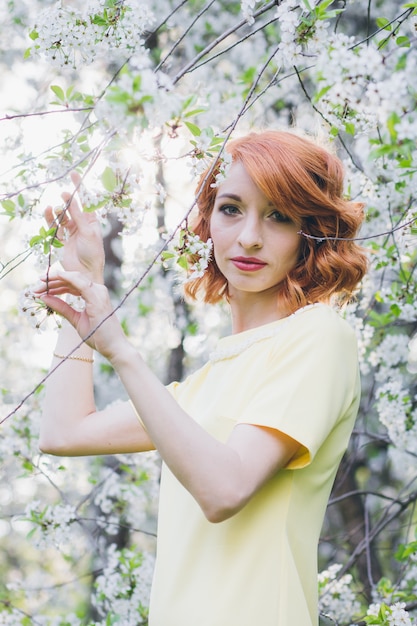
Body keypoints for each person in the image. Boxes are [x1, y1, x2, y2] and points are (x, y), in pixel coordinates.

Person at [36, 129, 368, 626]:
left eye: (279, 215)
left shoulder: (320, 337)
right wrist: (83, 289)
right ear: (208, 220)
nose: (249, 236)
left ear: (310, 231)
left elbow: (224, 489)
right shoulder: (204, 385)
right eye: (231, 208)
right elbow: (63, 432)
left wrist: (122, 350)